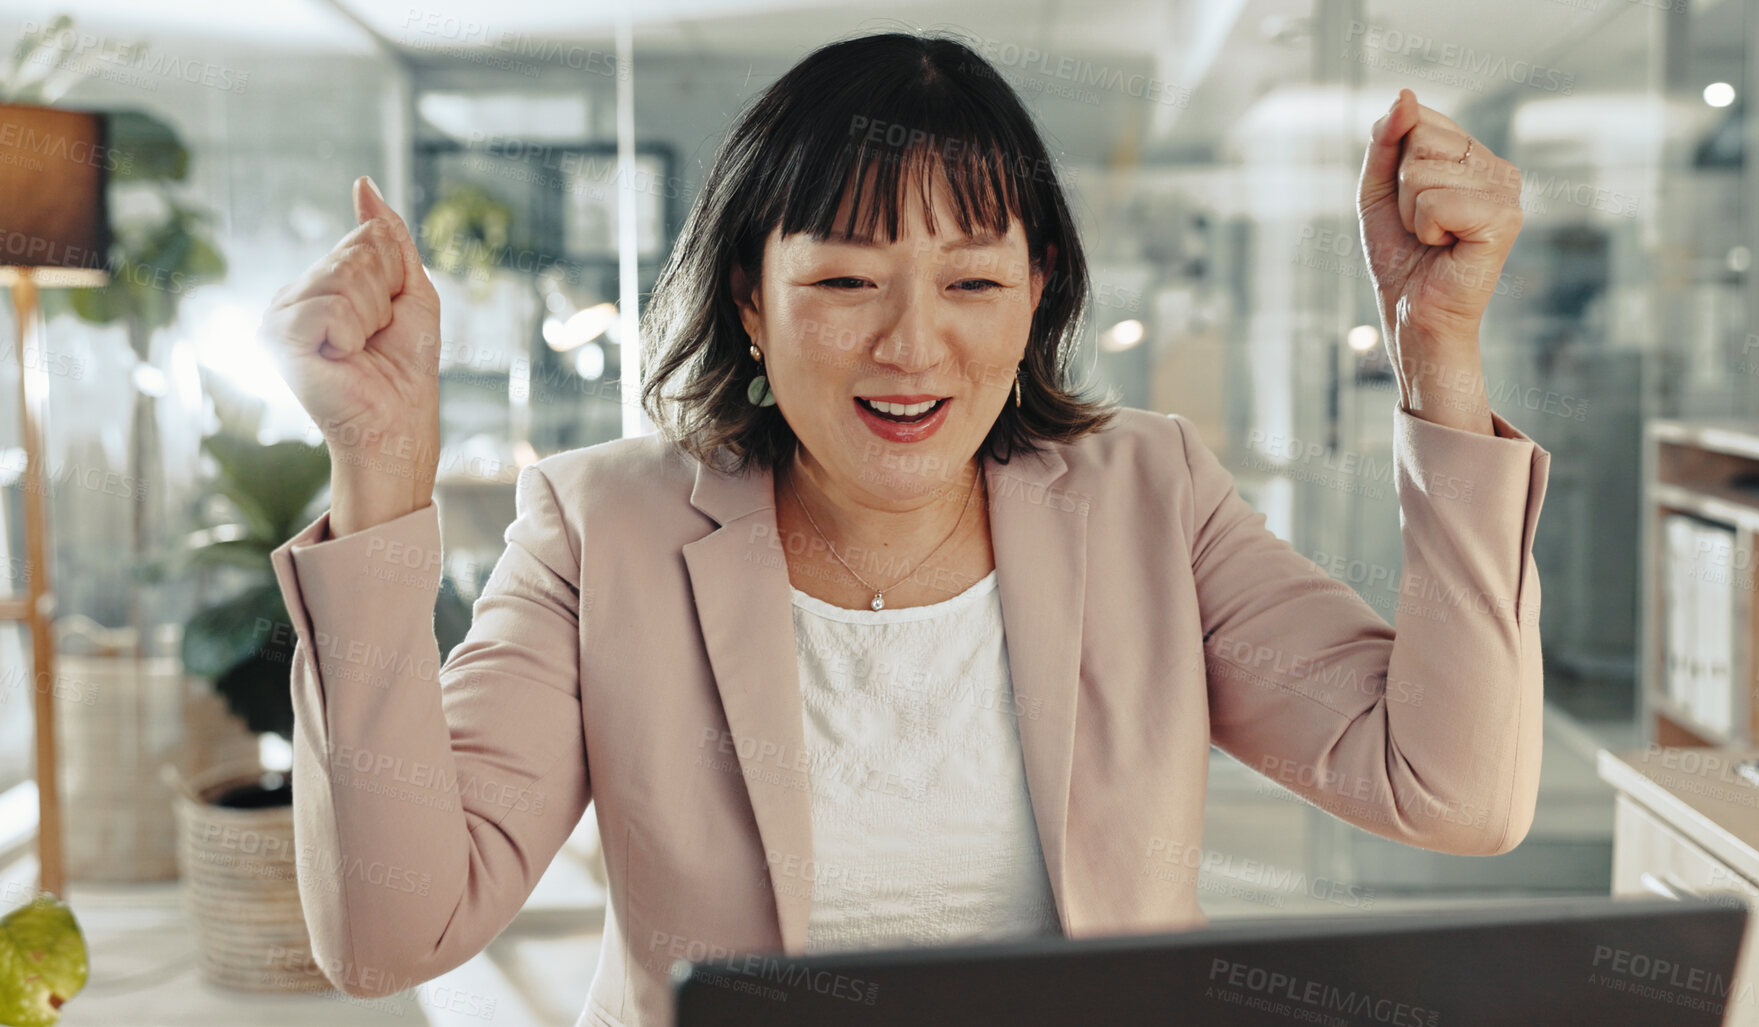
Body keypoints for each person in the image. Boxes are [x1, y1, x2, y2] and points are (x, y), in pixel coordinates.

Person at [258, 31, 1548, 1027]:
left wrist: (1436, 349)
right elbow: (391, 933)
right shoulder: (603, 527)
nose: (914, 346)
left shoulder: (1150, 496)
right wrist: (380, 467)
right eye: (843, 280)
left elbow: (1450, 791)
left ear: (1037, 296)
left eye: (975, 281)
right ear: (751, 305)